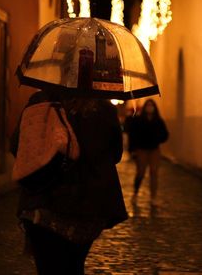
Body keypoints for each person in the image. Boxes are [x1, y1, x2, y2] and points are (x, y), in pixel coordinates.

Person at [10, 91, 127, 275]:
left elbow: (16, 144)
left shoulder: (40, 100)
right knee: (74, 266)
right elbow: (115, 154)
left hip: (43, 201)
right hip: (87, 209)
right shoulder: (103, 108)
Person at [125, 99, 169, 203]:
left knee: (154, 172)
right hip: (141, 149)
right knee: (140, 172)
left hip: (154, 149)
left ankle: (153, 196)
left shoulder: (158, 121)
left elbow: (165, 134)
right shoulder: (138, 120)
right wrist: (132, 150)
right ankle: (135, 192)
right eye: (148, 106)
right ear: (145, 108)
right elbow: (133, 135)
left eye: (152, 106)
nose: (150, 108)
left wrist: (158, 139)